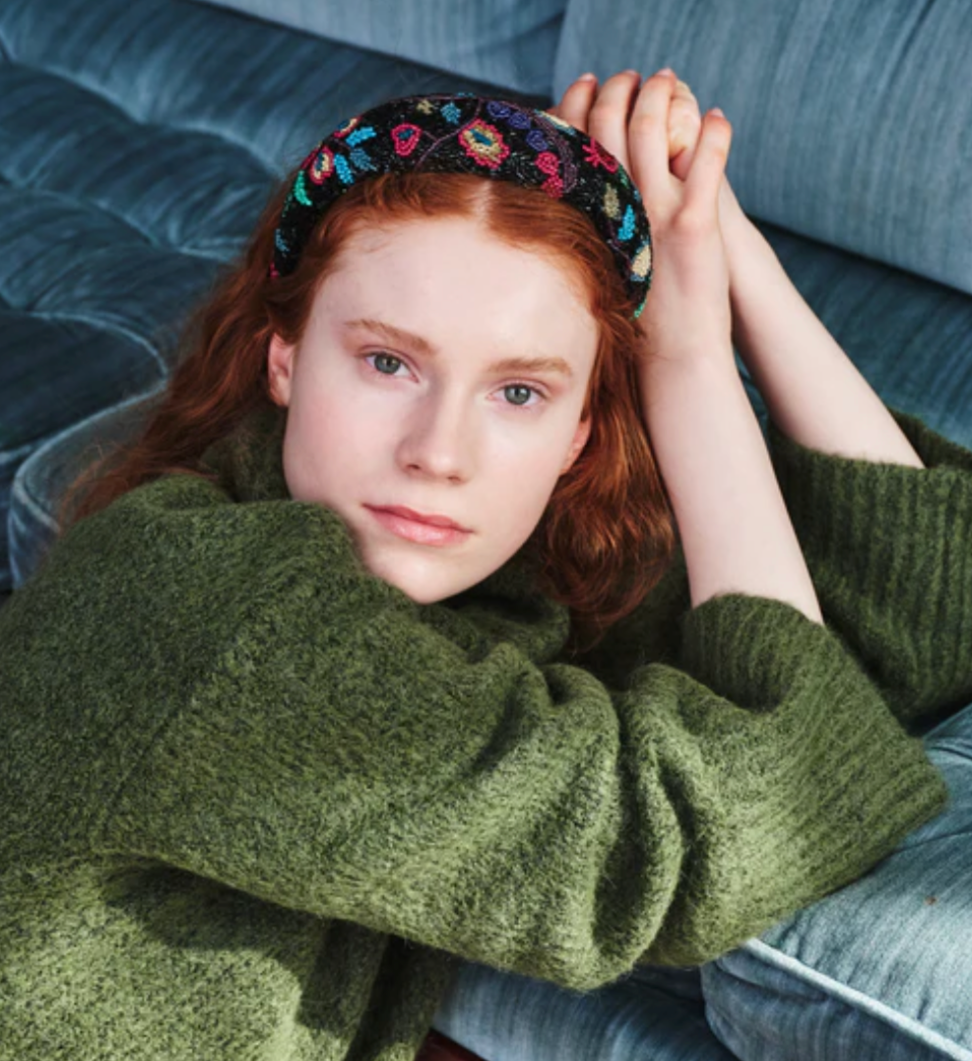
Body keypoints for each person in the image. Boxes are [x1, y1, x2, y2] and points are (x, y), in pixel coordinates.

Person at [0, 70, 969, 1061]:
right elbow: (675, 834)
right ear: (283, 358)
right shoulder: (217, 613)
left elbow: (918, 624)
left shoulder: (480, 581)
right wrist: (686, 361)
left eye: (517, 392)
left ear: (579, 432)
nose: (440, 452)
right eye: (388, 363)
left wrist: (719, 247)